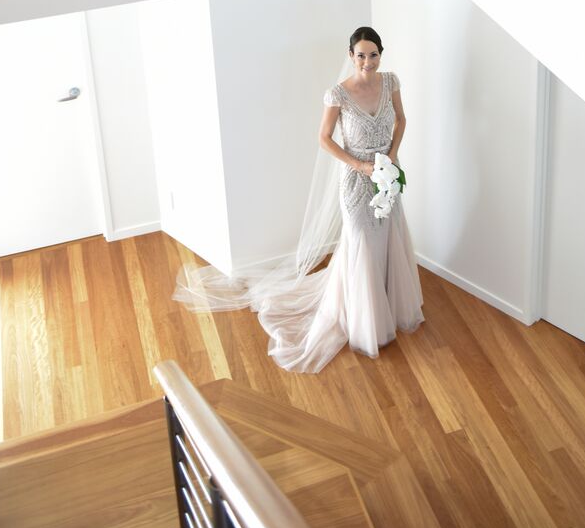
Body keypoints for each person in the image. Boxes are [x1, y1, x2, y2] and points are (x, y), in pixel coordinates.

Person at [173, 25, 424, 373]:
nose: (367, 62)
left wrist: (392, 158)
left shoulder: (390, 82)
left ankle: (392, 308)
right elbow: (324, 138)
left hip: (386, 175)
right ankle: (366, 323)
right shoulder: (338, 94)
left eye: (374, 55)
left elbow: (401, 119)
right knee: (363, 245)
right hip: (355, 180)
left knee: (389, 238)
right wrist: (360, 166)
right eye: (361, 55)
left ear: (381, 54)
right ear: (351, 57)